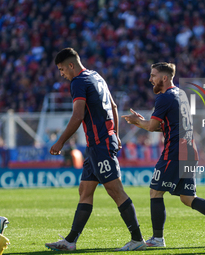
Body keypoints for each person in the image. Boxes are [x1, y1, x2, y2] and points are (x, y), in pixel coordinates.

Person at [122, 62, 205, 247]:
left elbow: (151, 127)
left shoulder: (164, 98)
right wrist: (143, 122)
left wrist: (137, 122)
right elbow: (166, 126)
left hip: (175, 151)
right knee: (188, 198)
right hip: (190, 150)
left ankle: (157, 239)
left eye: (153, 75)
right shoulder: (181, 94)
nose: (150, 79)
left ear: (164, 78)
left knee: (155, 192)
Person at [45, 48, 146, 251]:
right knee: (85, 190)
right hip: (98, 144)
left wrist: (60, 142)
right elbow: (114, 106)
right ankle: (71, 241)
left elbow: (78, 116)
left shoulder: (78, 82)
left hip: (100, 144)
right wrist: (115, 134)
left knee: (115, 191)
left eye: (62, 69)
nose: (61, 74)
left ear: (71, 65)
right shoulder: (96, 76)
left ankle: (137, 239)